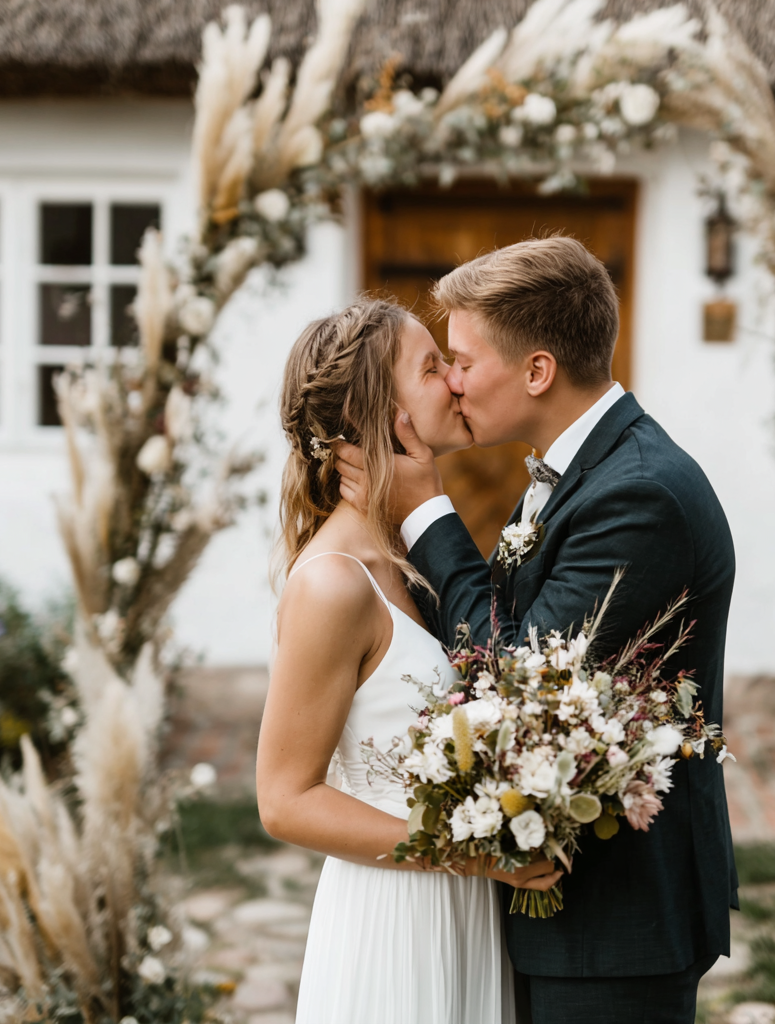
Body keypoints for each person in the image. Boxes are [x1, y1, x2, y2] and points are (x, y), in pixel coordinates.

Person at [336, 238, 739, 1024]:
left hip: (616, 919)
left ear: (537, 371)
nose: (451, 382)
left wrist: (425, 511)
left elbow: (516, 673)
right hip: (567, 900)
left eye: (461, 359)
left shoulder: (639, 496)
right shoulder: (585, 469)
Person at [256, 298, 560, 1024]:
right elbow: (284, 801)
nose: (457, 380)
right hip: (393, 918)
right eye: (433, 367)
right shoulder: (332, 582)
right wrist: (473, 853)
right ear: (383, 413)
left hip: (462, 911)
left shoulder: (409, 563)